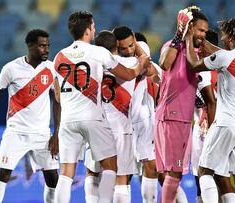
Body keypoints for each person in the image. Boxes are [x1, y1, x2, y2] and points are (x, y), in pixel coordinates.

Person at [53, 11, 150, 203]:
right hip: (93, 118)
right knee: (111, 167)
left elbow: (57, 95)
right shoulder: (98, 53)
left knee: (65, 174)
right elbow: (129, 74)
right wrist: (141, 65)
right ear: (88, 29)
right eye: (93, 26)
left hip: (67, 120)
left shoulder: (59, 56)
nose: (94, 29)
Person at [185, 18, 235, 203]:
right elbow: (229, 58)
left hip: (227, 121)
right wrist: (207, 44)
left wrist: (189, 39)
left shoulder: (225, 58)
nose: (224, 39)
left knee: (205, 170)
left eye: (226, 35)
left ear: (232, 38)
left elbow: (193, 65)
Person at [0, 29, 60, 203]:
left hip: (42, 134)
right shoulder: (11, 68)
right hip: (16, 132)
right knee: (2, 174)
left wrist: (57, 133)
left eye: (48, 46)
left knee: (53, 179)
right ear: (30, 45)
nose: (46, 50)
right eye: (42, 46)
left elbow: (57, 101)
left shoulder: (51, 69)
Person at [84, 30, 149, 203]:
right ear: (116, 47)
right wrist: (135, 43)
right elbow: (146, 62)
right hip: (121, 128)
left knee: (93, 172)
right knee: (121, 179)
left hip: (97, 125)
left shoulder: (90, 66)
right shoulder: (131, 62)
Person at [155, 6, 209, 203]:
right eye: (201, 30)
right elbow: (164, 64)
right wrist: (179, 36)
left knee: (171, 173)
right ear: (191, 27)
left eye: (205, 31)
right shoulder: (172, 45)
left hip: (180, 117)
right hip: (173, 116)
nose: (203, 35)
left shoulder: (197, 53)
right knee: (174, 173)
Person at [113, 26, 160, 203]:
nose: (128, 51)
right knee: (123, 173)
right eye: (123, 48)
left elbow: (150, 70)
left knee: (152, 167)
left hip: (143, 120)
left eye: (131, 46)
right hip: (121, 122)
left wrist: (137, 48)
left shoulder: (141, 50)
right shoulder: (111, 59)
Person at [190, 29, 218, 203]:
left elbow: (209, 101)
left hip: (206, 125)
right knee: (219, 176)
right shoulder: (226, 68)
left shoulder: (204, 70)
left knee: (202, 174)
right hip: (221, 125)